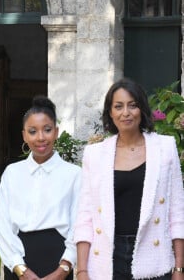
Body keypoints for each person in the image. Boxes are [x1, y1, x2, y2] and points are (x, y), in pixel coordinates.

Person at [74, 78, 184, 280]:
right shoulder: (95, 154)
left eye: (132, 105)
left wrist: (179, 269)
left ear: (142, 109)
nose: (126, 112)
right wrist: (81, 270)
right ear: (110, 112)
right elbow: (85, 216)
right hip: (108, 258)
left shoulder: (165, 148)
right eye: (118, 106)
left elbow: (177, 213)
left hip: (155, 256)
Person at [0, 95, 82, 280]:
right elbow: (2, 226)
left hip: (58, 261)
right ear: (24, 135)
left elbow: (79, 225)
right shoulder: (12, 173)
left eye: (47, 130)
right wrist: (20, 269)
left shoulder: (74, 175)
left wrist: (64, 269)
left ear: (56, 132)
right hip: (18, 262)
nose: (41, 138)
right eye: (33, 131)